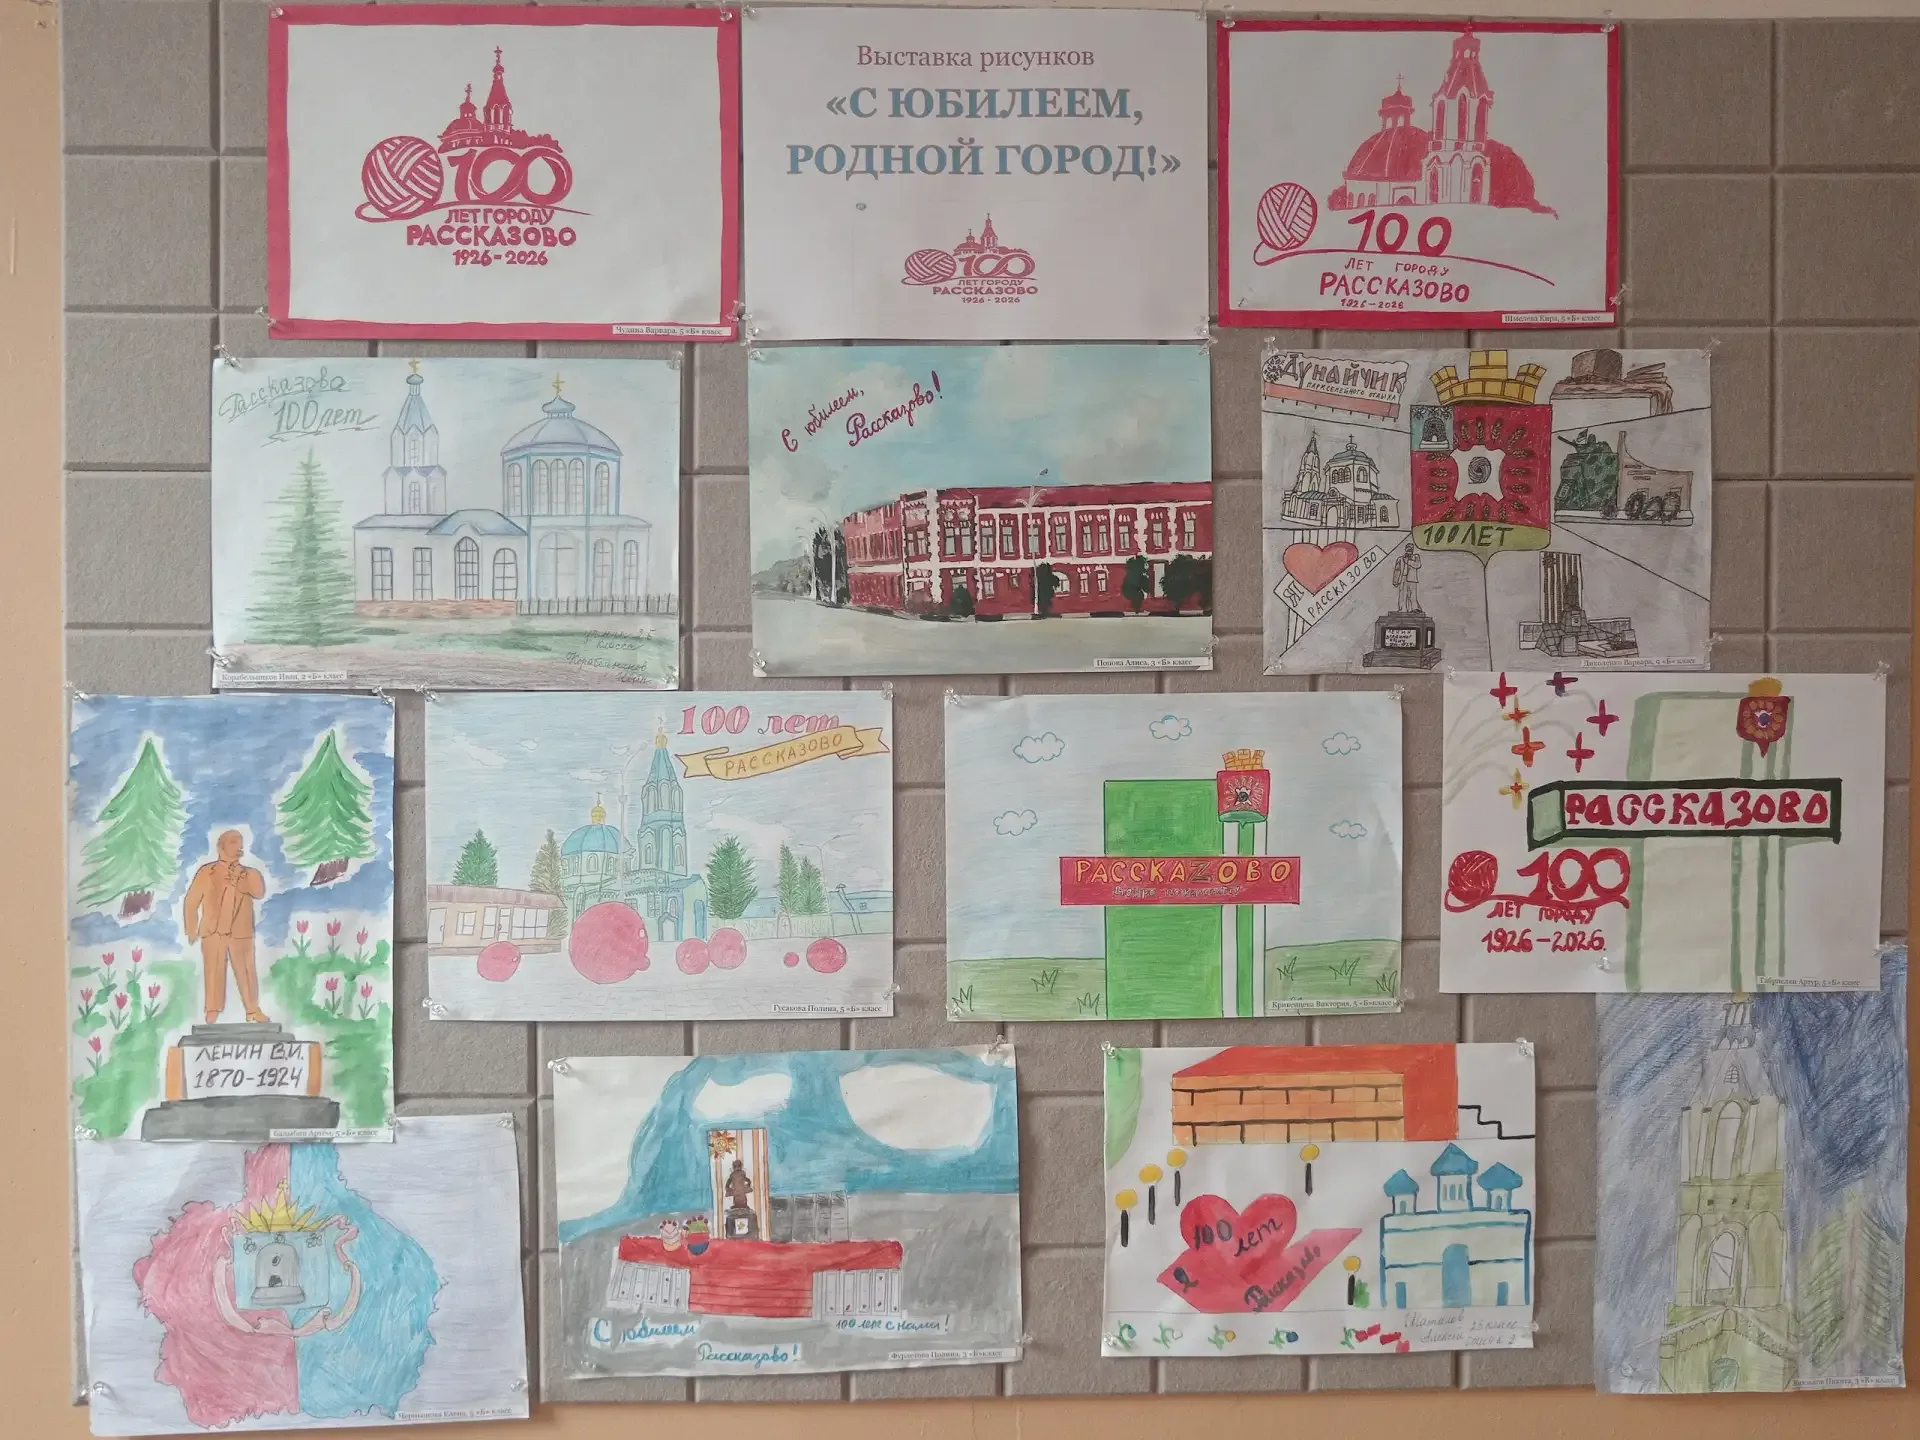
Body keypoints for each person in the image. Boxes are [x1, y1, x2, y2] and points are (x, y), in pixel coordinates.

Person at [183, 830, 271, 1024]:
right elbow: (191, 900)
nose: (238, 846)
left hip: (241, 931)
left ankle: (252, 1010)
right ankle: (212, 1010)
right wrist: (191, 928)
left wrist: (240, 881)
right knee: (213, 971)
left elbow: (259, 892)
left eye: (240, 843)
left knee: (246, 970)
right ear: (220, 847)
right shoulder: (207, 872)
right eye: (233, 842)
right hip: (212, 931)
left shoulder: (250, 873)